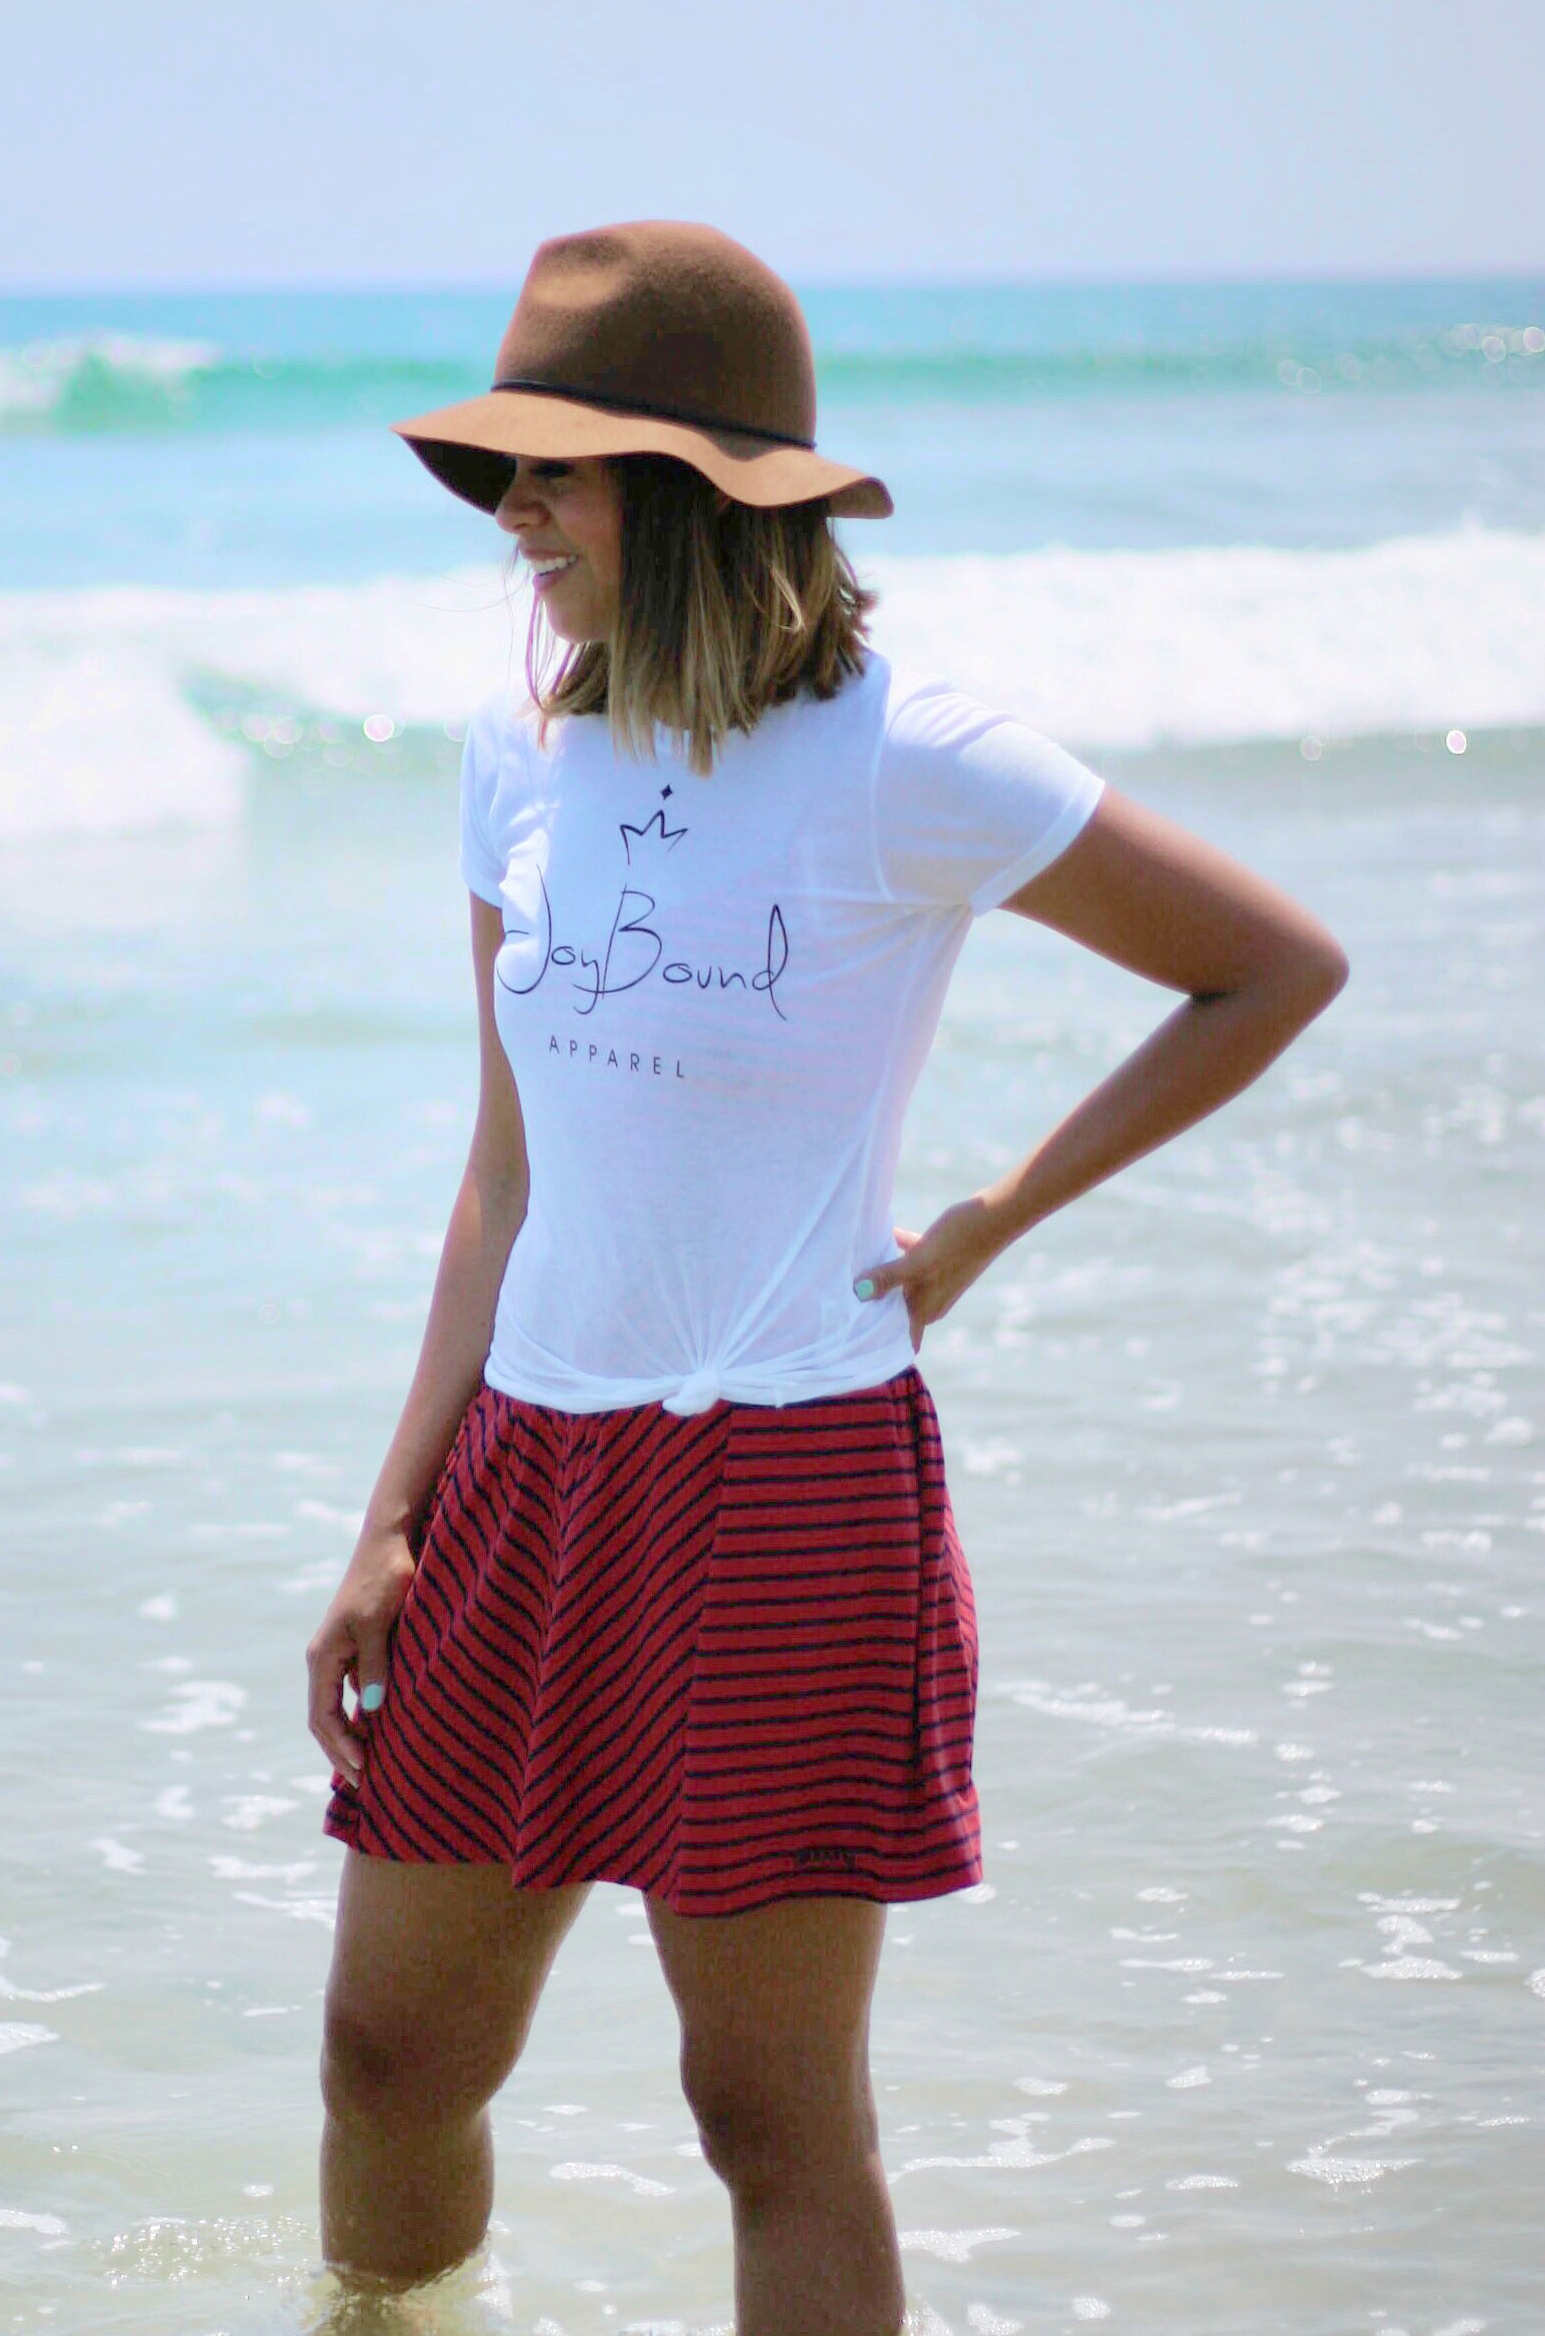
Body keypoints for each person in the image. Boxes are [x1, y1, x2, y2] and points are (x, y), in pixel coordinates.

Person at [301, 223, 1349, 2336]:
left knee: (765, 2117)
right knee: (389, 2058)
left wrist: (990, 1218)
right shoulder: (519, 750)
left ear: (694, 493)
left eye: (558, 472)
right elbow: (502, 1174)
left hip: (783, 1484)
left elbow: (1268, 967)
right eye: (507, 471)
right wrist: (392, 1511)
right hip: (525, 1477)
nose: (513, 514)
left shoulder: (908, 753)